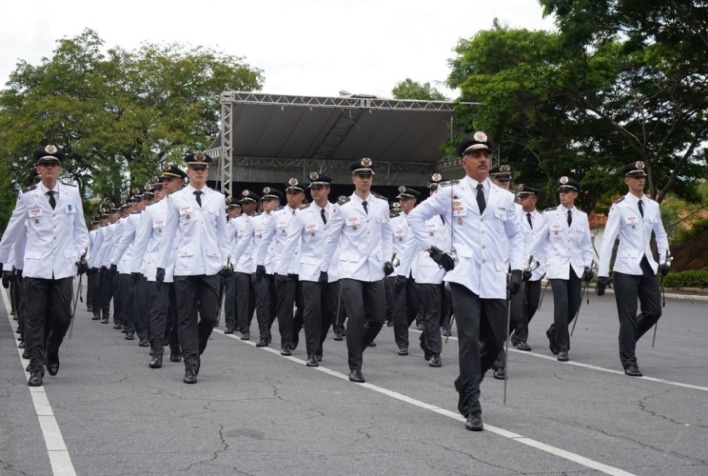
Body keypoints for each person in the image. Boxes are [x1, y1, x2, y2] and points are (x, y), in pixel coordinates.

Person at [407, 132, 524, 431]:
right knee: (469, 340)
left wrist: (518, 268)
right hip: (464, 276)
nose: (483, 158)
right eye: (476, 154)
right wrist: (433, 251)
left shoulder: (505, 197)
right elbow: (416, 218)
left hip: (496, 276)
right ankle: (472, 404)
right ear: (464, 162)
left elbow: (516, 235)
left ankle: (464, 380)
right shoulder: (450, 193)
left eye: (486, 154)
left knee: (496, 341)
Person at [0, 145, 89, 387]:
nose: (49, 169)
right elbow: (13, 231)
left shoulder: (72, 193)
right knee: (34, 319)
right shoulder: (28, 196)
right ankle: (36, 367)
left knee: (62, 317)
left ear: (59, 169)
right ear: (39, 169)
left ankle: (51, 350)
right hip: (36, 267)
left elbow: (80, 230)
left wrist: (81, 254)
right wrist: (3, 260)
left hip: (62, 266)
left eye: (53, 165)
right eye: (44, 165)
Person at [156, 152, 230, 384]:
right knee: (186, 318)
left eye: (203, 168)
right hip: (185, 266)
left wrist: (227, 259)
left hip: (210, 266)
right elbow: (168, 236)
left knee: (209, 316)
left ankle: (195, 349)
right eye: (194, 168)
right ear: (188, 172)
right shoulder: (177, 199)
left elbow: (223, 234)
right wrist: (162, 265)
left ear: (208, 172)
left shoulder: (217, 199)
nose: (199, 172)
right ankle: (190, 364)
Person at [320, 158, 394, 383]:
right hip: (350, 268)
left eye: (368, 176)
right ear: (353, 179)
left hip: (375, 268)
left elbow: (387, 233)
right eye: (361, 176)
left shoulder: (381, 204)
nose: (365, 179)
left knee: (378, 317)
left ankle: (356, 348)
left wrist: (388, 258)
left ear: (372, 179)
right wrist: (325, 268)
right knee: (357, 314)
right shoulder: (342, 207)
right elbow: (331, 239)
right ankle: (355, 366)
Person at [596, 161, 670, 377]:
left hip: (647, 265)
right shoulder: (619, 206)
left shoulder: (653, 205)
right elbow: (608, 240)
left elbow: (661, 234)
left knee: (654, 311)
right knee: (627, 317)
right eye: (636, 177)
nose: (640, 180)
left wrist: (666, 259)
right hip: (625, 268)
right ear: (627, 180)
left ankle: (626, 339)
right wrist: (603, 273)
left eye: (643, 177)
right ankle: (629, 360)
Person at [528, 176, 593, 363]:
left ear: (575, 195)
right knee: (562, 305)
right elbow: (536, 242)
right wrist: (529, 264)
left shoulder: (581, 217)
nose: (562, 195)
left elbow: (586, 245)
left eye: (566, 192)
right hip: (557, 266)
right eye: (561, 192)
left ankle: (554, 330)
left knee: (574, 306)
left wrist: (588, 265)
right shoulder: (549, 215)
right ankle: (563, 346)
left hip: (576, 267)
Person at [510, 185, 544, 351]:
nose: (520, 200)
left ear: (534, 199)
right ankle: (520, 337)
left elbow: (546, 244)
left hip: (535, 269)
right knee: (520, 304)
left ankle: (515, 330)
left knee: (532, 303)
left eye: (524, 197)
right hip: (519, 266)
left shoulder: (543, 218)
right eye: (519, 197)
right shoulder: (515, 216)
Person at [389, 186, 421, 356]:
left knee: (415, 306)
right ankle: (402, 341)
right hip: (398, 268)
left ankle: (403, 327)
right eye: (401, 199)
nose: (402, 203)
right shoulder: (393, 221)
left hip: (416, 268)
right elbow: (388, 243)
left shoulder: (422, 219)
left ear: (414, 201)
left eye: (406, 199)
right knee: (399, 307)